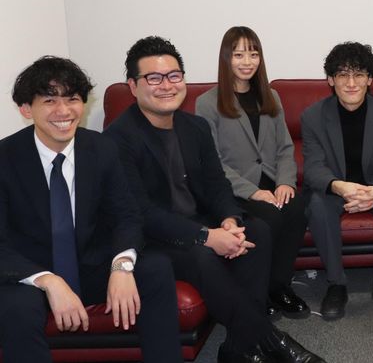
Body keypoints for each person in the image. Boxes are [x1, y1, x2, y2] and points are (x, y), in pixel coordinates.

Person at [104, 37, 323, 363]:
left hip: (200, 221)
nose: (166, 85)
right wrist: (206, 237)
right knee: (202, 256)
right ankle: (271, 340)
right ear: (133, 86)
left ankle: (237, 347)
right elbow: (142, 213)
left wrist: (229, 221)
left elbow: (217, 185)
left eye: (174, 76)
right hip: (155, 237)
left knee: (258, 231)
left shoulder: (194, 127)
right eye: (154, 78)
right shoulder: (118, 138)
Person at [0, 56, 182, 363]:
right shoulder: (5, 157)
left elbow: (127, 216)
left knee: (155, 268)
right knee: (16, 308)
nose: (64, 111)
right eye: (50, 100)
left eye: (72, 99)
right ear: (26, 109)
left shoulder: (102, 148)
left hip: (91, 266)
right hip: (32, 275)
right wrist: (48, 280)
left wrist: (121, 266)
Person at [196, 26, 310, 319]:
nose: (247, 61)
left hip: (272, 182)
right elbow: (212, 162)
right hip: (234, 189)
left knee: (297, 206)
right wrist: (254, 192)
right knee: (269, 217)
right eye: (238, 55)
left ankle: (279, 287)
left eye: (253, 54)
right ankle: (258, 291)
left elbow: (286, 147)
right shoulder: (207, 103)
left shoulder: (271, 97)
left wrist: (286, 183)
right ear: (226, 58)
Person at [301, 42, 373, 320]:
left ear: (369, 79)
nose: (351, 83)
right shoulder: (312, 117)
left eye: (359, 74)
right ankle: (336, 284)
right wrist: (339, 186)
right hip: (336, 190)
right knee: (316, 203)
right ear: (331, 80)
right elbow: (313, 168)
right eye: (343, 75)